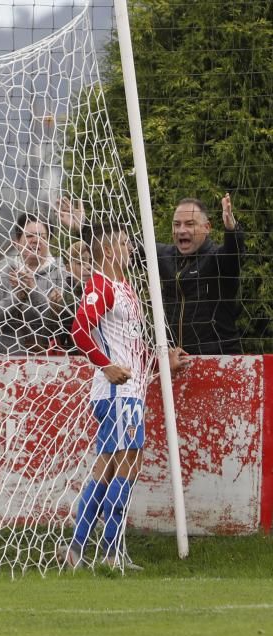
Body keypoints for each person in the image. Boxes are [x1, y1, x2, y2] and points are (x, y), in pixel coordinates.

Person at [62, 221, 187, 570]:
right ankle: (112, 553)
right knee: (128, 467)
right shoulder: (101, 286)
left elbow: (133, 352)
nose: (130, 249)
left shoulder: (125, 288)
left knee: (107, 470)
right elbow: (78, 328)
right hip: (118, 394)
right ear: (107, 249)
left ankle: (76, 550)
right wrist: (104, 366)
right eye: (123, 243)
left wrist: (165, 364)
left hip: (127, 391)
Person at [157, 194, 244, 354]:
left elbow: (234, 253)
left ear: (207, 227)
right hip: (175, 360)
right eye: (177, 224)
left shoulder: (217, 259)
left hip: (219, 359)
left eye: (190, 224)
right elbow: (123, 248)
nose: (181, 230)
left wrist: (232, 229)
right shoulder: (164, 256)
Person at [0, 213, 68, 355]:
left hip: (51, 362)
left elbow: (63, 323)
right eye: (29, 236)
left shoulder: (63, 274)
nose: (36, 241)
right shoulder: (0, 274)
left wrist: (33, 291)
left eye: (42, 237)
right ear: (16, 241)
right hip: (6, 360)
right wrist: (17, 298)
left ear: (49, 242)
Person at [56, 240, 93, 352]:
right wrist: (54, 311)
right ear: (68, 267)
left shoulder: (104, 288)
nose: (88, 266)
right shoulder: (63, 296)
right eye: (80, 263)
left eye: (91, 262)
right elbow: (58, 339)